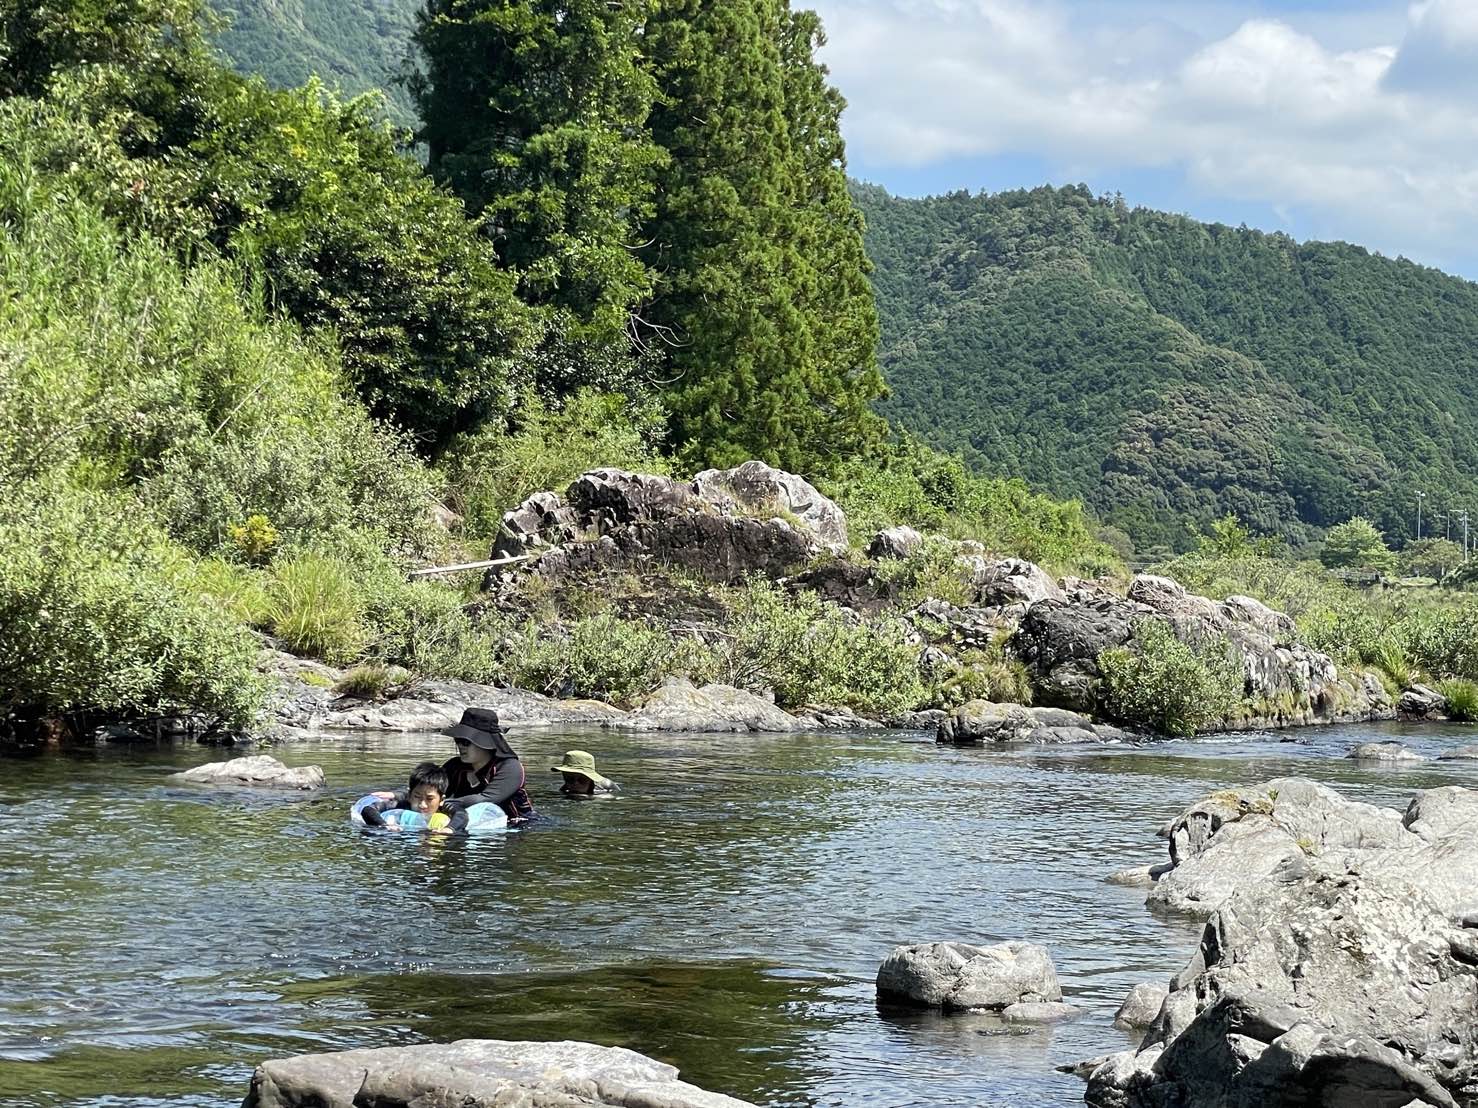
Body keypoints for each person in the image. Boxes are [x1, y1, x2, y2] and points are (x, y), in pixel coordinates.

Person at [441, 707, 536, 822]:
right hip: (476, 825)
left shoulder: (510, 767)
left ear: (485, 743)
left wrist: (444, 803)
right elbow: (429, 789)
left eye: (466, 742)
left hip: (519, 827)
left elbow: (486, 799)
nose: (461, 746)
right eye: (458, 740)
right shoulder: (454, 767)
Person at [359, 761, 466, 833]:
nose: (422, 804)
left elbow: (462, 815)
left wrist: (449, 829)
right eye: (417, 796)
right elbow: (368, 809)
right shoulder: (403, 805)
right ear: (409, 795)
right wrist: (384, 825)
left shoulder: (445, 808)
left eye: (429, 799)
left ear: (441, 800)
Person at [551, 749, 619, 797]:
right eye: (569, 779)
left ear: (591, 779)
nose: (575, 784)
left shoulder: (607, 786)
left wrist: (591, 797)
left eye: (581, 780)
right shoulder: (565, 788)